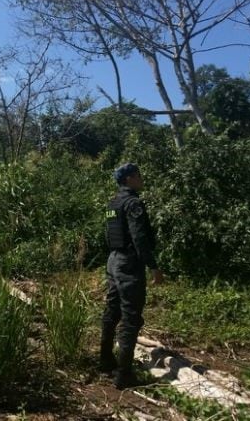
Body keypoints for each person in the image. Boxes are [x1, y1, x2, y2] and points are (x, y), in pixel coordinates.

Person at [100, 163, 163, 389]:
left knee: (112, 310)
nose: (141, 178)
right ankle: (124, 375)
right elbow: (139, 239)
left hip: (113, 260)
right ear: (128, 179)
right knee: (131, 316)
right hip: (128, 264)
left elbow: (109, 235)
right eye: (138, 175)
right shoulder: (133, 203)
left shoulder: (112, 203)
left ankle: (105, 361)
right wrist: (153, 266)